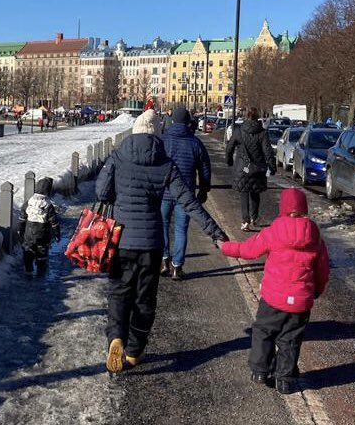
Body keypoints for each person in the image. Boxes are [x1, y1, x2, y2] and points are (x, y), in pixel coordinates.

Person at [96, 109, 228, 373]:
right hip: (152, 245)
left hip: (121, 240)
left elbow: (101, 191)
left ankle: (116, 338)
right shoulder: (165, 164)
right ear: (158, 133)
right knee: (145, 299)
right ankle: (134, 351)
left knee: (119, 294)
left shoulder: (119, 156)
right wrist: (215, 233)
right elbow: (188, 201)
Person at [220, 188, 329, 394]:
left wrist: (226, 247)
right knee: (291, 339)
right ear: (304, 209)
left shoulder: (273, 232)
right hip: (300, 302)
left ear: (283, 209)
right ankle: (285, 380)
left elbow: (247, 251)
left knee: (263, 331)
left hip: (273, 298)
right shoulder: (315, 236)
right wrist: (316, 291)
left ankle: (260, 370)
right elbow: (322, 270)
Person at [160, 106, 212, 280]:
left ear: (173, 120)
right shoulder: (194, 142)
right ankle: (177, 266)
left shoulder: (163, 139)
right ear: (188, 121)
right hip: (186, 194)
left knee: (162, 226)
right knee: (182, 229)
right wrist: (204, 189)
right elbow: (204, 168)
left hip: (164, 191)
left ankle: (164, 260)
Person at [226, 107, 275, 231]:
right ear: (257, 116)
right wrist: (271, 165)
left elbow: (230, 147)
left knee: (244, 193)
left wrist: (229, 160)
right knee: (255, 192)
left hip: (243, 167)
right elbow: (268, 151)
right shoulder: (262, 133)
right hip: (258, 168)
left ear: (246, 116)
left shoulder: (239, 130)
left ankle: (245, 220)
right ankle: (254, 218)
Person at [17, 177, 61, 275]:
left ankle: (28, 270)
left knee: (28, 251)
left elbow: (22, 219)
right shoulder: (48, 205)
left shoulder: (28, 202)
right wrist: (57, 234)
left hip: (29, 233)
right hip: (43, 234)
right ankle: (41, 270)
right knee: (42, 252)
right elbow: (54, 223)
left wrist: (20, 230)